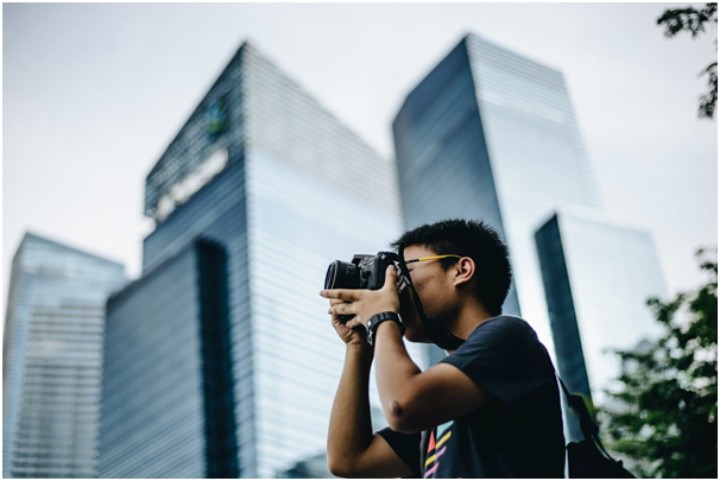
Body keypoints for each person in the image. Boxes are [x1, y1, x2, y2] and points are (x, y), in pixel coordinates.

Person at [320, 219, 565, 478]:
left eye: (405, 272)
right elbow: (349, 460)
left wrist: (382, 317)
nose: (396, 288)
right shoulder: (439, 401)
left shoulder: (510, 336)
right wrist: (358, 347)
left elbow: (401, 406)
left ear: (461, 270)